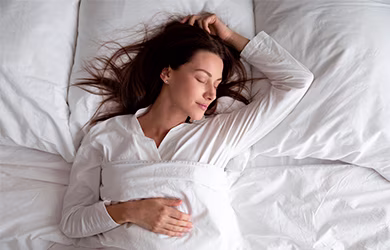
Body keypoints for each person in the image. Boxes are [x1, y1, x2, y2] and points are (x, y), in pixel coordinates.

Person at [60, 13, 314, 249]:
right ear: (167, 73)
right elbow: (72, 222)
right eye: (202, 79)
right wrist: (130, 211)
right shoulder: (106, 136)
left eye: (216, 84)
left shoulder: (219, 134)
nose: (212, 94)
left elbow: (296, 80)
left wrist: (229, 37)